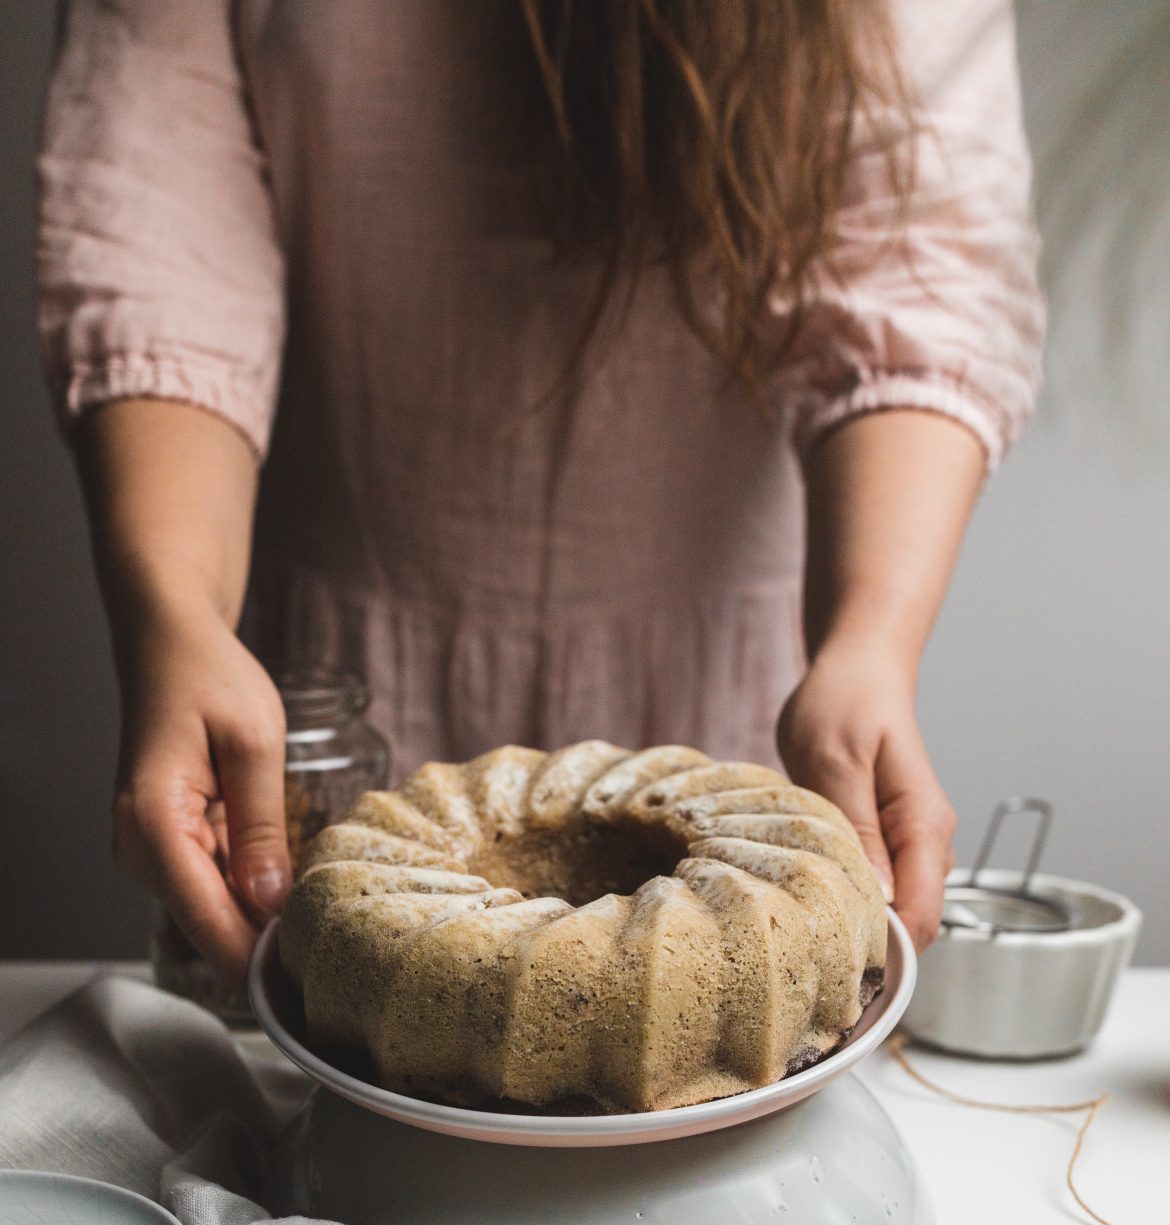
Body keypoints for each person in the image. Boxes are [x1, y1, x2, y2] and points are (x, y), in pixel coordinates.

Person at [37, 0, 1043, 984]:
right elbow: (158, 230)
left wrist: (868, 644)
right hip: (320, 728)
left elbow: (918, 276)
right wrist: (172, 607)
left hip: (731, 729)